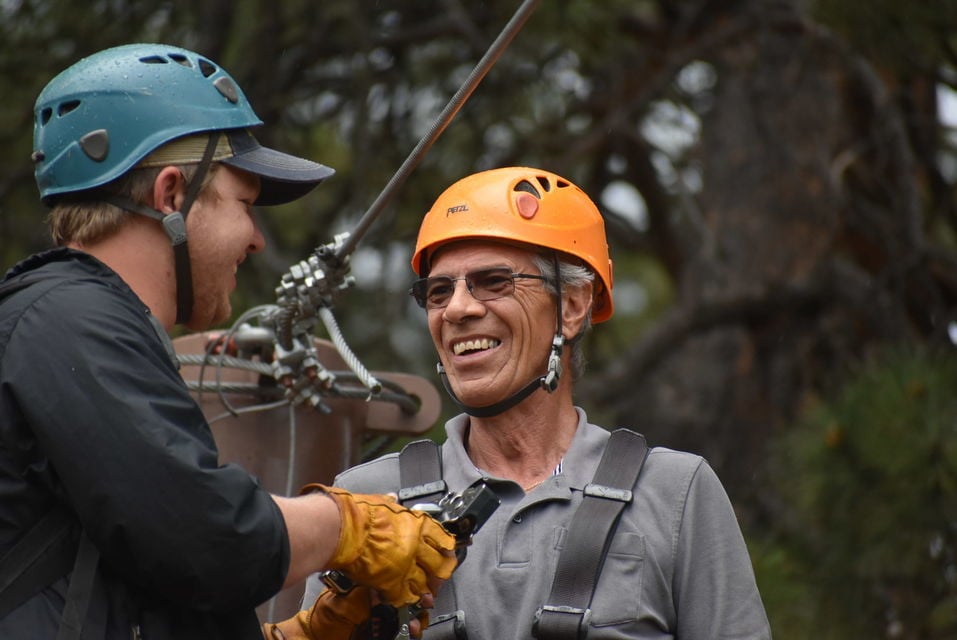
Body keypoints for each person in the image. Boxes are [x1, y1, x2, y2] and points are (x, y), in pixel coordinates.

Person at [0, 44, 456, 639]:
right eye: (244, 203)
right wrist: (346, 525)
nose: (258, 239)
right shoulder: (67, 319)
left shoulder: (80, 326)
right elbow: (206, 537)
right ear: (170, 196)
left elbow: (147, 578)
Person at [283, 166, 772, 639]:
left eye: (494, 282)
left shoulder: (673, 494)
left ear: (573, 306)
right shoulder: (369, 501)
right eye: (438, 291)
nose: (457, 309)